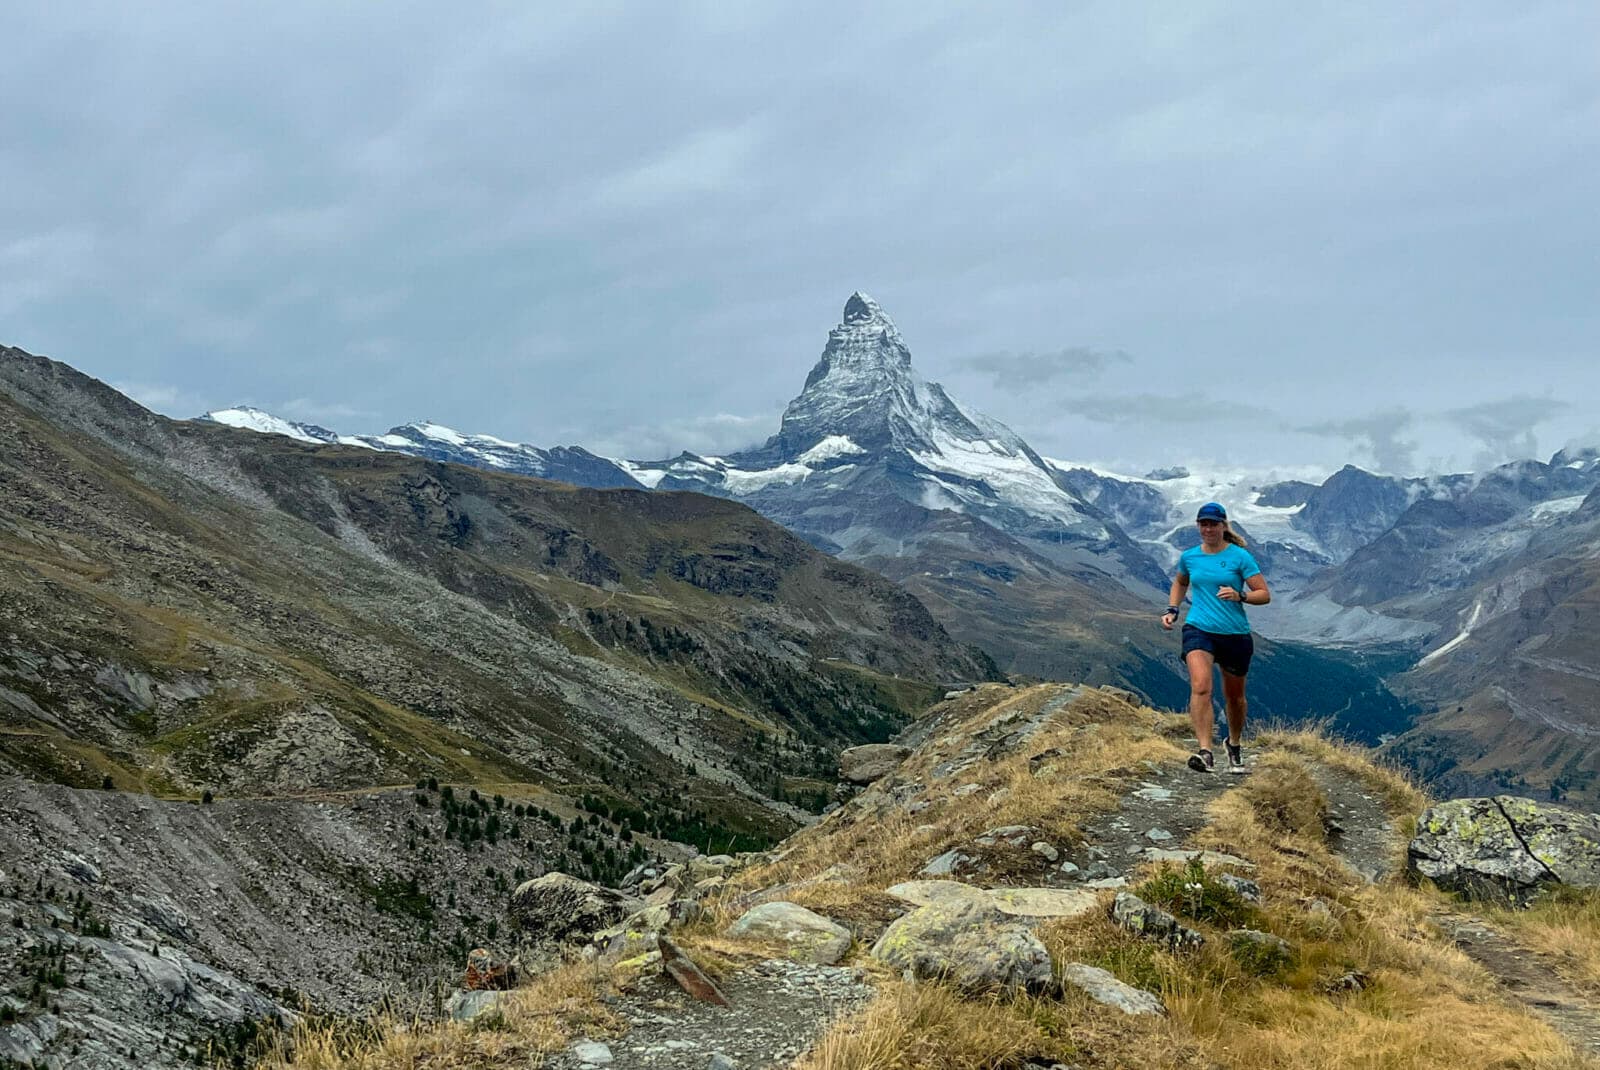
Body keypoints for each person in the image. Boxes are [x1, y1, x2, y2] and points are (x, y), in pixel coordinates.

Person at [1160, 502, 1270, 774]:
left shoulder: (1240, 557)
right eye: (1203, 524)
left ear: (1223, 526)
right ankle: (1205, 752)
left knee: (1235, 698)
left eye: (1213, 523)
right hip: (1199, 628)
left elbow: (1264, 594)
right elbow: (1181, 581)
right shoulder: (1190, 557)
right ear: (1198, 526)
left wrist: (1240, 595)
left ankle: (1233, 744)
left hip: (1234, 634)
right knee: (1200, 686)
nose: (1208, 528)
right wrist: (1173, 609)